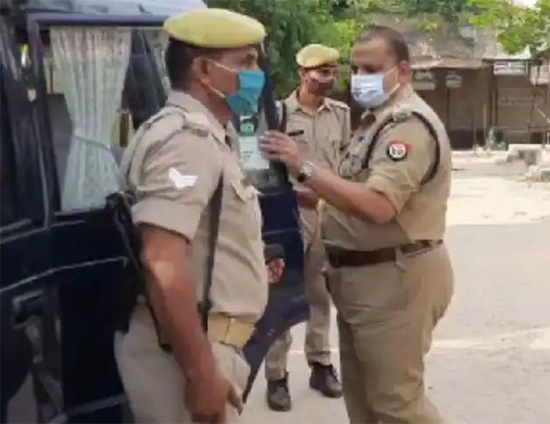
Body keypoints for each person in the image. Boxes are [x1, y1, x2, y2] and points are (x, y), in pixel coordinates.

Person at [260, 25, 454, 424]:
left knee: (398, 405)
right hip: (361, 279)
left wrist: (304, 166)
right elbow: (349, 193)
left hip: (393, 279)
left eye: (372, 68)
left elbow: (380, 205)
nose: (360, 78)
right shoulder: (375, 121)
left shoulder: (407, 125)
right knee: (364, 404)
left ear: (402, 70)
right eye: (357, 68)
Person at [114, 8, 283, 424]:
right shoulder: (186, 140)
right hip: (187, 353)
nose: (255, 72)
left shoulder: (202, 133)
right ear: (204, 70)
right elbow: (162, 260)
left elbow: (200, 237)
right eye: (245, 61)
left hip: (200, 344)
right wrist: (201, 372)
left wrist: (246, 269)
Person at [264, 43, 348, 411]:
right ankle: (276, 375)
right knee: (282, 295)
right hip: (292, 212)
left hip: (326, 212)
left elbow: (344, 160)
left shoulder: (341, 113)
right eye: (320, 73)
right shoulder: (280, 113)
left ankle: (320, 364)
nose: (327, 80)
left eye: (332, 73)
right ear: (302, 74)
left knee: (320, 292)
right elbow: (266, 168)